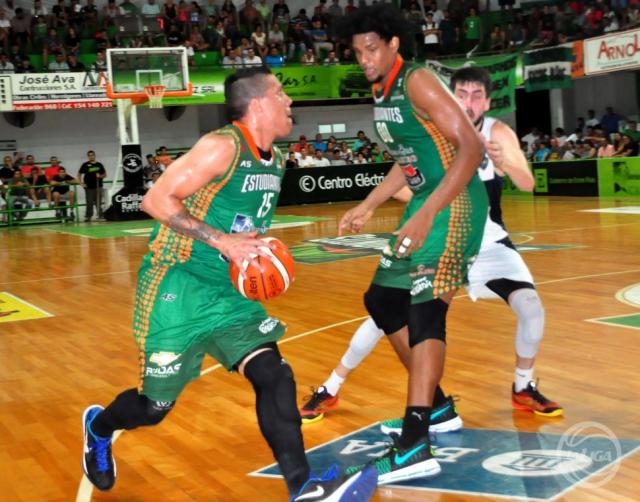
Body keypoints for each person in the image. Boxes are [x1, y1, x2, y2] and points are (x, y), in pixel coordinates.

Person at [80, 66, 377, 502]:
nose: (289, 101)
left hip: (227, 294)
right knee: (154, 408)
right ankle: (100, 426)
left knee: (275, 375)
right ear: (258, 105)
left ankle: (304, 488)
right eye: (281, 94)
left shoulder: (274, 159)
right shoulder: (222, 146)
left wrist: (260, 254)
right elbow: (155, 199)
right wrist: (223, 242)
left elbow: (242, 225)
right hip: (177, 284)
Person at [301, 66, 563, 430]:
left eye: (476, 95)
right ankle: (332, 385)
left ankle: (523, 385)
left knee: (532, 308)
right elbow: (405, 177)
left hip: (487, 244)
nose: (467, 102)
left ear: (487, 101)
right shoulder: (435, 129)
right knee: (385, 313)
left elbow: (528, 182)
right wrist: (386, 204)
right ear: (448, 95)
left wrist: (503, 162)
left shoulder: (497, 132)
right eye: (461, 93)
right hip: (444, 238)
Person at [326, 4, 487, 485]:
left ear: (394, 43)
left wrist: (427, 211)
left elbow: (471, 148)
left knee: (425, 310)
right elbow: (407, 155)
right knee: (381, 299)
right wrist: (370, 204)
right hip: (425, 202)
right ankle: (436, 407)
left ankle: (415, 442)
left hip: (452, 205)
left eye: (371, 48)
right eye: (357, 51)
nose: (364, 58)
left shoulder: (415, 79)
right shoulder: (382, 89)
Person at [78, 150, 106, 221]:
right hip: (88, 187)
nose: (91, 156)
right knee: (89, 202)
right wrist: (81, 183)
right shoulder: (85, 165)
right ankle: (88, 216)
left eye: (92, 155)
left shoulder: (99, 165)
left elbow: (105, 174)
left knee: (98, 202)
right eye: (89, 155)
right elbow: (79, 174)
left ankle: (100, 215)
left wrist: (100, 176)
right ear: (88, 156)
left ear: (94, 155)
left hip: (98, 186)